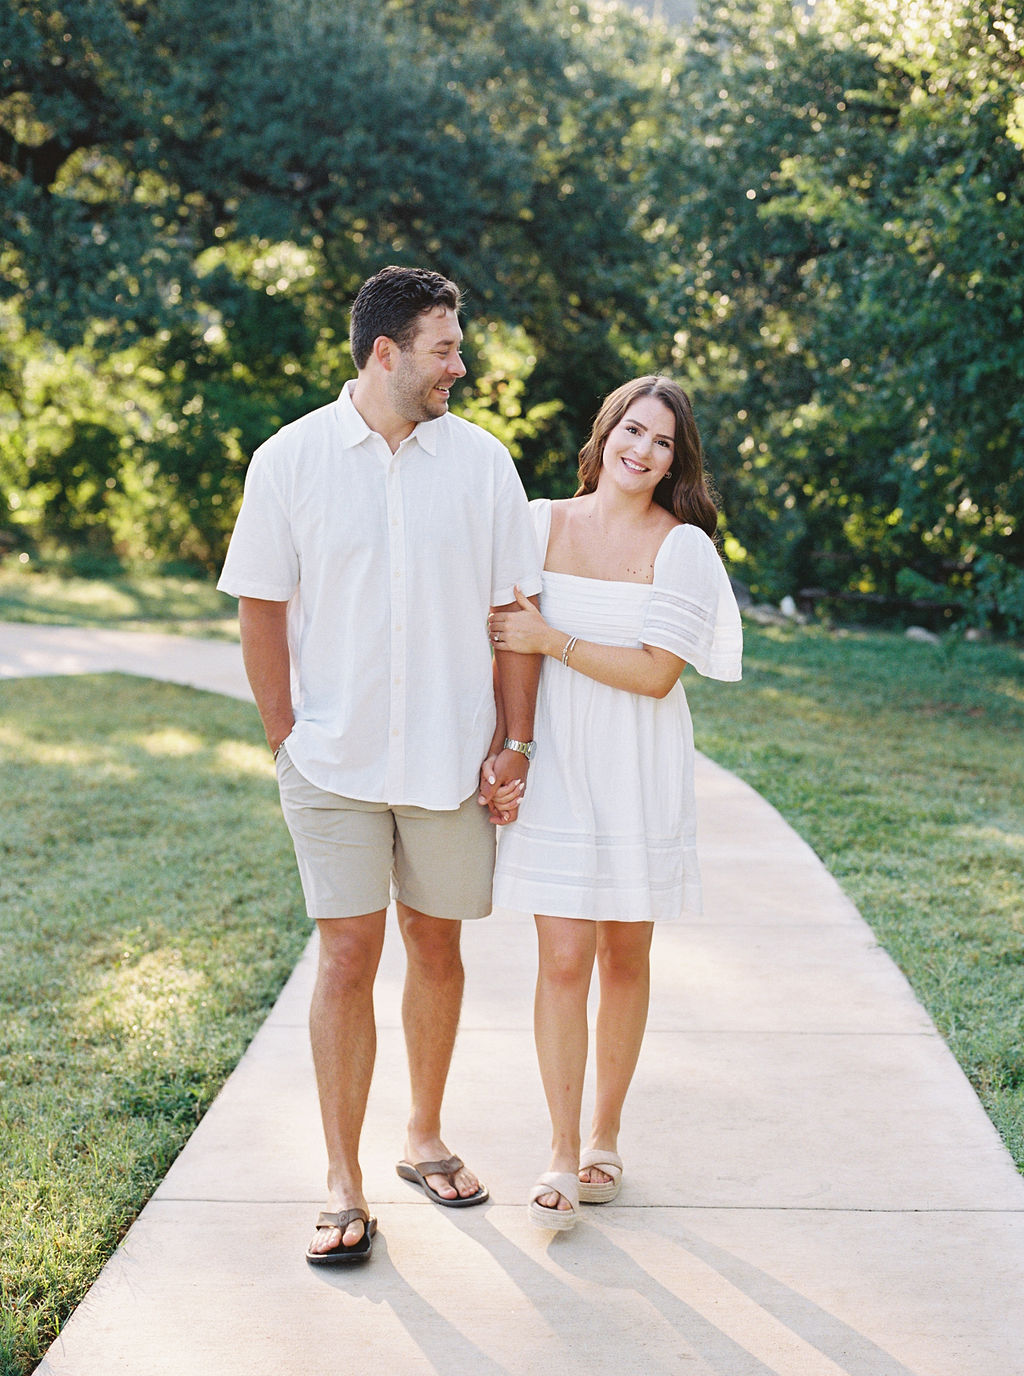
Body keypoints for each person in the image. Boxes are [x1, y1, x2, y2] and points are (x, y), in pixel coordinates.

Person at [217, 266, 542, 1263]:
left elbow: (514, 619)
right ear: (385, 352)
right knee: (347, 957)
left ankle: (424, 1136)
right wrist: (285, 736)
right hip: (333, 763)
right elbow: (261, 607)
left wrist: (513, 740)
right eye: (445, 346)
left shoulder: (483, 466)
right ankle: (342, 1179)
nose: (461, 362)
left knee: (437, 950)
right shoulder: (291, 459)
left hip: (449, 762)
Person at [487, 376, 742, 1230]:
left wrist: (554, 638)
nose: (644, 450)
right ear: (607, 432)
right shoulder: (537, 522)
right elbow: (507, 648)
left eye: (664, 442)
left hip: (637, 767)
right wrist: (514, 747)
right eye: (634, 430)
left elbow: (655, 672)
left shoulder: (685, 549)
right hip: (558, 763)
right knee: (561, 960)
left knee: (624, 958)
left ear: (678, 460)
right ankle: (559, 1150)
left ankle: (604, 1138)